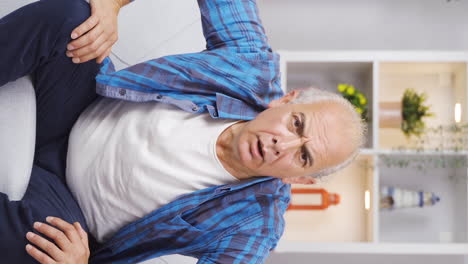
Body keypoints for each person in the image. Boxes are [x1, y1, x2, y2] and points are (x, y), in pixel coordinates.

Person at [0, 0, 365, 263]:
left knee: (44, 253)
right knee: (75, 19)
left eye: (302, 156)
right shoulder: (250, 67)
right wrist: (113, 4)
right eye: (295, 123)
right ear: (286, 100)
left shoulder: (255, 229)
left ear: (300, 181)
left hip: (65, 207)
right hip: (73, 107)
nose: (279, 144)